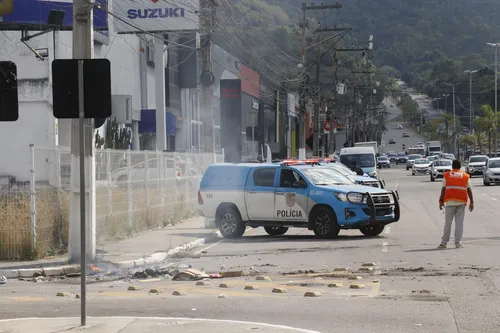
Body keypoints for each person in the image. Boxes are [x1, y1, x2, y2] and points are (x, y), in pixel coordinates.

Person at [438, 160, 474, 249]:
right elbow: (469, 189)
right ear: (460, 166)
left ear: (452, 166)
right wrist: (472, 202)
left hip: (450, 202)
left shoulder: (447, 175)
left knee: (448, 223)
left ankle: (444, 243)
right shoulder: (465, 176)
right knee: (459, 224)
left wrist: (441, 201)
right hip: (461, 202)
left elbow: (443, 189)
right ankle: (458, 243)